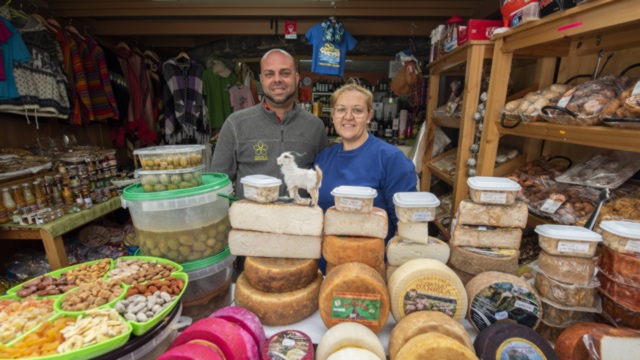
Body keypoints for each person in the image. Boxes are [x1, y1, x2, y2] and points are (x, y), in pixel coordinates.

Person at [211, 49, 328, 198]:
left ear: (297, 77)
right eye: (269, 74)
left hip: (299, 220)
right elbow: (218, 186)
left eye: (285, 73)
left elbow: (323, 181)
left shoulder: (315, 127)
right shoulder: (235, 124)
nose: (277, 79)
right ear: (262, 79)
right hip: (250, 220)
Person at [314, 80, 417, 243]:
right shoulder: (323, 159)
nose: (348, 117)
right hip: (328, 260)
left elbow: (408, 225)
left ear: (369, 115)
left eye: (357, 110)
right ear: (333, 115)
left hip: (371, 263)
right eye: (341, 110)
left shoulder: (391, 159)